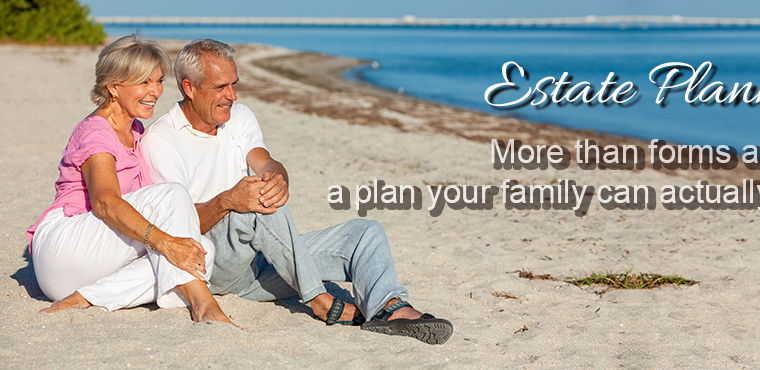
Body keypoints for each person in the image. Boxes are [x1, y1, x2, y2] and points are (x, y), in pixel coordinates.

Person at [141, 39, 452, 344]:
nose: (232, 95)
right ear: (189, 87)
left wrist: (277, 178)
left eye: (234, 84)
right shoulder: (161, 140)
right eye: (221, 87)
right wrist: (227, 201)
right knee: (253, 206)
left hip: (262, 262)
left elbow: (265, 161)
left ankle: (388, 309)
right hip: (211, 264)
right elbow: (175, 229)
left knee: (365, 233)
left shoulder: (240, 117)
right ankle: (318, 299)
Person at [27, 35, 238, 326]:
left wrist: (173, 243)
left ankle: (88, 297)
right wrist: (165, 242)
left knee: (202, 250)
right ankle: (204, 305)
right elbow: (105, 203)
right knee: (173, 199)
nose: (155, 91)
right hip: (64, 248)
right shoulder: (96, 132)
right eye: (144, 82)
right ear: (113, 87)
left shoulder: (135, 130)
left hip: (88, 269)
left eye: (159, 81)